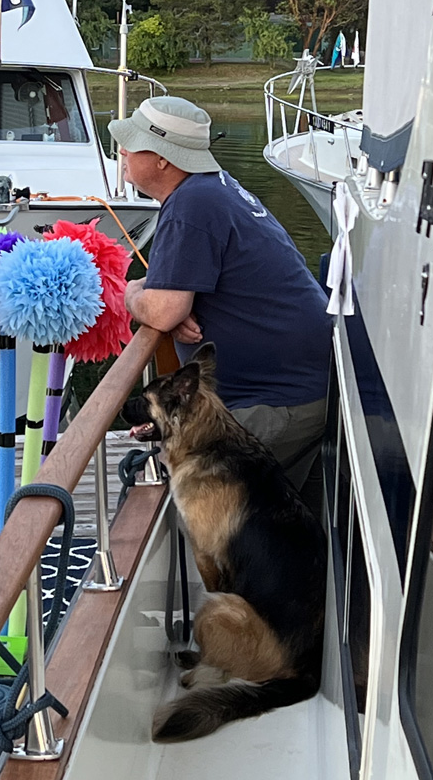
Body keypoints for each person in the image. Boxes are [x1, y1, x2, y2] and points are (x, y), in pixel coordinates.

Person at [109, 95, 332, 516]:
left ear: (163, 159)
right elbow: (178, 302)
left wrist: (133, 293)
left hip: (278, 401)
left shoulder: (191, 205)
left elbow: (163, 309)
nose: (122, 152)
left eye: (132, 144)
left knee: (200, 518)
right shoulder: (212, 189)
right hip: (306, 389)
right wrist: (175, 305)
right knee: (292, 528)